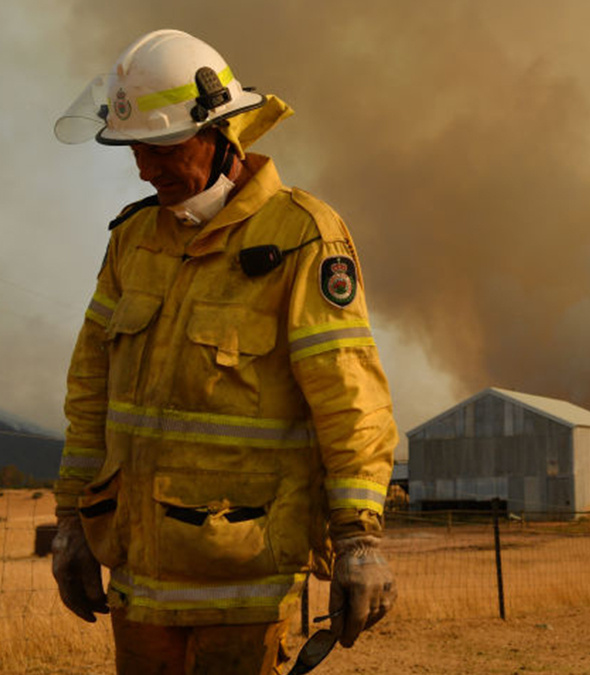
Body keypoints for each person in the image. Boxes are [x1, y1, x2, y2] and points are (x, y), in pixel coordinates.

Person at [51, 28, 398, 674]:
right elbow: (89, 393)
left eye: (161, 147)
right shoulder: (132, 242)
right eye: (134, 151)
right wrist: (71, 518)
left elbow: (351, 403)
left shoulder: (303, 239)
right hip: (137, 582)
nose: (144, 168)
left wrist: (358, 537)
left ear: (218, 133)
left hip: (243, 589)